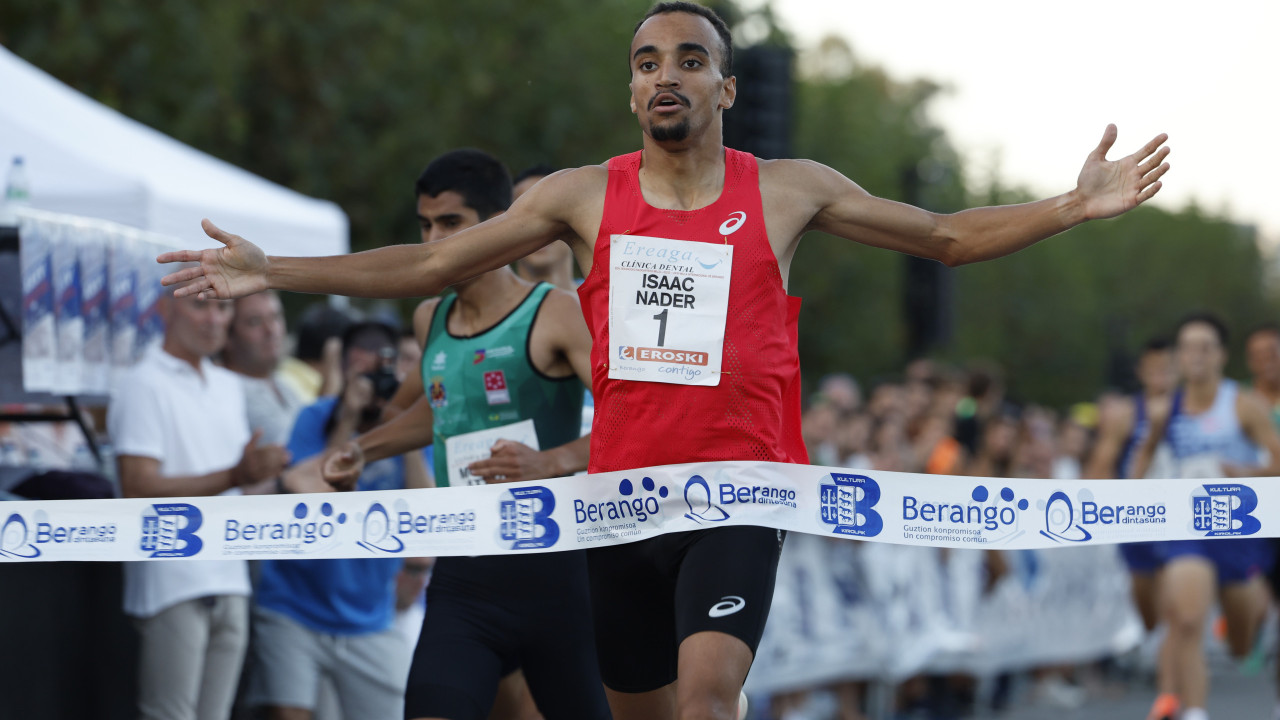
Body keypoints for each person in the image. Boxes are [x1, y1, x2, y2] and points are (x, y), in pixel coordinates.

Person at [158, 3, 1170, 716]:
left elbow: (943, 235)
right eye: (646, 63)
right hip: (619, 505)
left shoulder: (783, 188)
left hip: (736, 491)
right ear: (631, 90)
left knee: (705, 700)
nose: (664, 76)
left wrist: (1068, 207)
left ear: (725, 87)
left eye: (687, 59)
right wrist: (274, 271)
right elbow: (433, 263)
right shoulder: (578, 197)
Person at [324, 149, 608, 720]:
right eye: (426, 225)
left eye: (452, 223)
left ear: (500, 224)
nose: (435, 241)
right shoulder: (431, 317)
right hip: (465, 575)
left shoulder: (556, 313)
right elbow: (441, 412)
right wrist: (361, 449)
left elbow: (635, 423)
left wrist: (550, 462)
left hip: (556, 573)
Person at [108, 287, 290, 720]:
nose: (213, 319)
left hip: (230, 573)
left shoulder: (226, 384)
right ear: (166, 308)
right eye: (200, 305)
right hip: (172, 578)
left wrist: (282, 478)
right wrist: (236, 476)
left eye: (222, 306)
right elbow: (137, 486)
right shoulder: (141, 383)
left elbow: (239, 487)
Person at [245, 321, 426, 720]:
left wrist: (401, 428)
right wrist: (346, 419)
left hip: (370, 613)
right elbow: (305, 487)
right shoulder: (316, 415)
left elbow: (424, 506)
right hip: (294, 603)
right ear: (341, 370)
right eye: (359, 373)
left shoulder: (407, 422)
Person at [1134, 314, 1280, 720]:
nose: (1194, 356)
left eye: (1204, 347)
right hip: (1186, 529)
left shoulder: (1243, 405)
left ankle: (1248, 635)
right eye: (1187, 347)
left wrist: (1241, 472)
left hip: (1236, 532)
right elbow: (1142, 459)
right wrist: (1136, 493)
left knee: (1238, 643)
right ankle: (1194, 711)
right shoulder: (1166, 410)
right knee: (1186, 619)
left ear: (1221, 355)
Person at [1085, 337, 1177, 632]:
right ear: (1141, 371)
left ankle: (1171, 650)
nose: (1161, 375)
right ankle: (1153, 639)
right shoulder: (1126, 413)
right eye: (1154, 369)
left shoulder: (1193, 409)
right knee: (1143, 592)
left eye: (1167, 368)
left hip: (1180, 516)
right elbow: (1101, 466)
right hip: (1138, 516)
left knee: (1175, 591)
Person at [223, 290, 307, 445]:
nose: (271, 330)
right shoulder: (227, 394)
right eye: (255, 321)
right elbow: (298, 454)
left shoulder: (284, 383)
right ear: (227, 336)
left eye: (275, 317)